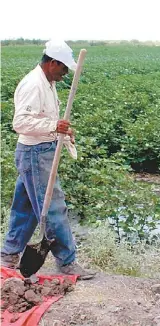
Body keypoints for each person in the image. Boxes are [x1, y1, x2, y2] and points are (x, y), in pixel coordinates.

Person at [1, 40, 95, 280]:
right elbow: (20, 123)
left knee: (26, 209)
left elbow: (46, 120)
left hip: (37, 151)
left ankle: (8, 256)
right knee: (54, 209)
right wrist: (54, 126)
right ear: (53, 63)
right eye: (64, 68)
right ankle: (67, 262)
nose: (65, 74)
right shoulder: (34, 85)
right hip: (35, 154)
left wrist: (62, 133)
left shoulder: (47, 82)